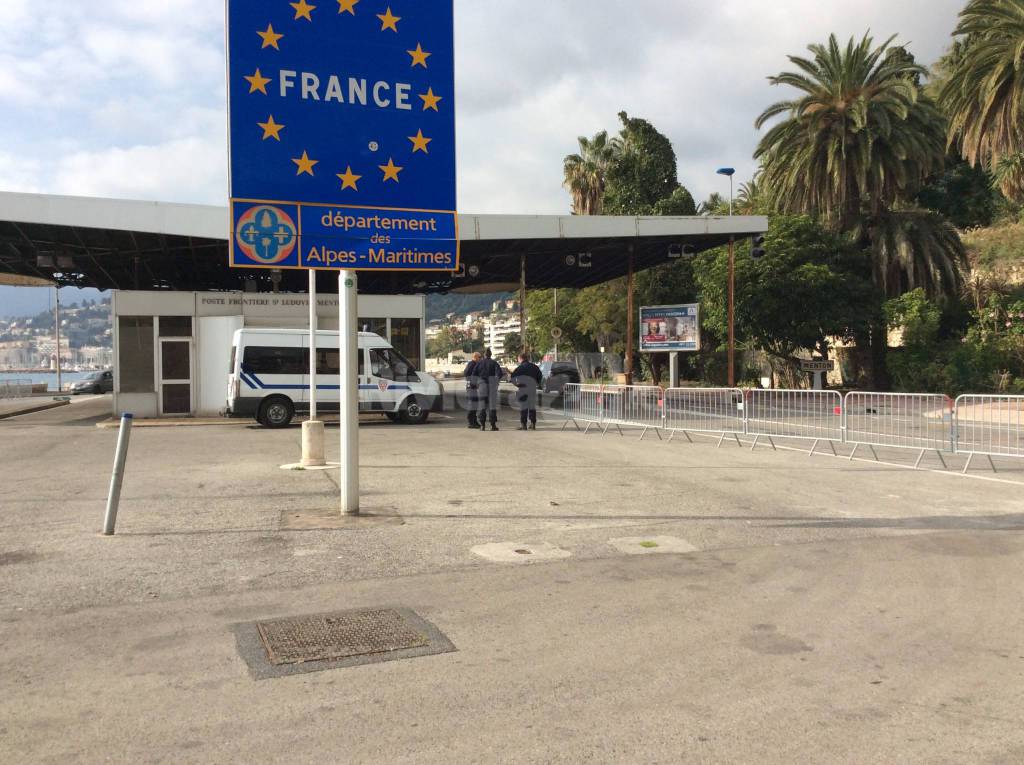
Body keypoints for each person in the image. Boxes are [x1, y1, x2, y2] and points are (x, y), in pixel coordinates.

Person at [510, 352, 543, 430]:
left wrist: (517, 385)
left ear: (521, 358)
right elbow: (540, 376)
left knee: (523, 407)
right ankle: (533, 424)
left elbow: (512, 377)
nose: (518, 360)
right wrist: (537, 383)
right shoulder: (534, 367)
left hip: (523, 388)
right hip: (532, 388)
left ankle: (523, 425)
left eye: (518, 359)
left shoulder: (520, 368)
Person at [475, 348, 502, 431]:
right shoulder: (494, 363)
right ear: (491, 354)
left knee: (482, 406)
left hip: (482, 386)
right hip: (492, 386)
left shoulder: (479, 363)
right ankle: (493, 425)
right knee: (492, 406)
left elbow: (473, 374)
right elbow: (499, 374)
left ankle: (482, 425)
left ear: (484, 355)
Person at [463, 352, 482, 429]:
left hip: (472, 386)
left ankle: (474, 421)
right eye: (480, 357)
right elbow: (466, 374)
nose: (481, 359)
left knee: (474, 404)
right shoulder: (472, 364)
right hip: (471, 387)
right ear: (476, 357)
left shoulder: (473, 364)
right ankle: (471, 422)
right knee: (472, 404)